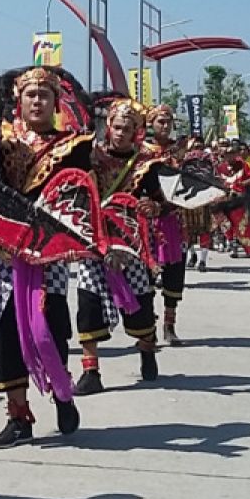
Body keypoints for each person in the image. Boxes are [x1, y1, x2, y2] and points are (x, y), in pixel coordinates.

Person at [0, 67, 89, 449]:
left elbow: (82, 195)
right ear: (18, 102)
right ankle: (18, 415)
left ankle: (62, 391)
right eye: (31, 94)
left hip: (47, 253)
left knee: (48, 327)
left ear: (56, 102)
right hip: (5, 253)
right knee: (6, 334)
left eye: (45, 95)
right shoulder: (2, 143)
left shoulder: (75, 146)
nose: (37, 101)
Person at [74, 97, 162, 395]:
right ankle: (90, 370)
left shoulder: (146, 164)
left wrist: (153, 205)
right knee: (88, 300)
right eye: (116, 127)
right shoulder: (90, 156)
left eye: (127, 128)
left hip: (130, 241)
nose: (120, 133)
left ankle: (147, 347)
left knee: (140, 305)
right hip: (93, 238)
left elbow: (162, 199)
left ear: (137, 132)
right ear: (108, 127)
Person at [143, 105, 189, 344]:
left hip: (175, 218)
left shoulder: (179, 152)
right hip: (148, 220)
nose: (165, 125)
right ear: (151, 123)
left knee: (174, 273)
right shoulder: (141, 150)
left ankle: (169, 325)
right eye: (160, 121)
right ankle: (147, 324)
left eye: (168, 121)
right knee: (147, 274)